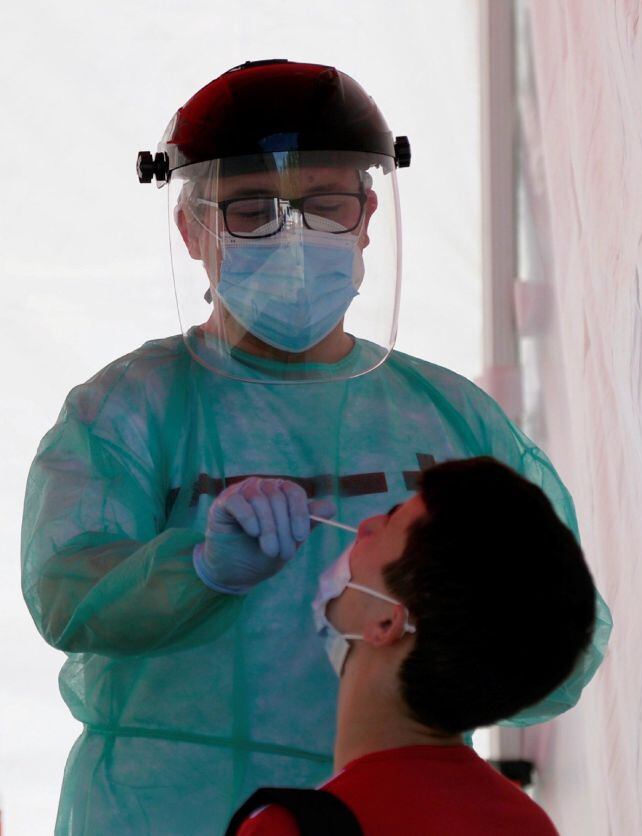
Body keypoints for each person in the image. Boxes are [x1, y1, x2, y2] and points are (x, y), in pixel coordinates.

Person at [21, 60, 610, 835]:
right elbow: (69, 597)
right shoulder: (129, 410)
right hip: (164, 813)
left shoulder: (451, 419)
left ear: (368, 214)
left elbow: (552, 632)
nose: (293, 234)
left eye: (325, 204)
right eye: (251, 209)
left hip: (398, 814)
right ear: (192, 228)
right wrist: (197, 566)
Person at [226, 457, 595, 835]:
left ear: (387, 622)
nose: (364, 525)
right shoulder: (526, 824)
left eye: (387, 521)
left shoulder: (288, 829)